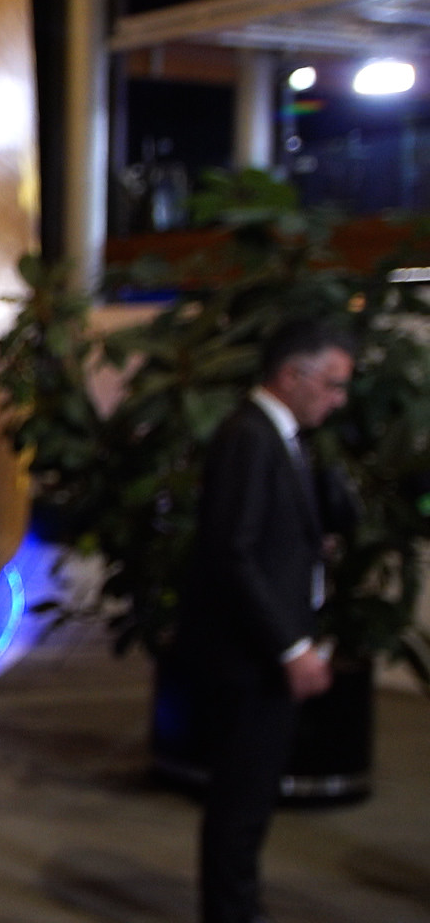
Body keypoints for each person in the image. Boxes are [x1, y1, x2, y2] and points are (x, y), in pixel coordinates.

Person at [183, 318, 358, 923]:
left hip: (266, 650)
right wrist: (291, 647)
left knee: (252, 797)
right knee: (241, 800)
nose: (338, 400)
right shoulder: (250, 436)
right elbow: (232, 551)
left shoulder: (283, 437)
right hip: (251, 656)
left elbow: (266, 536)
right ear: (291, 375)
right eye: (331, 384)